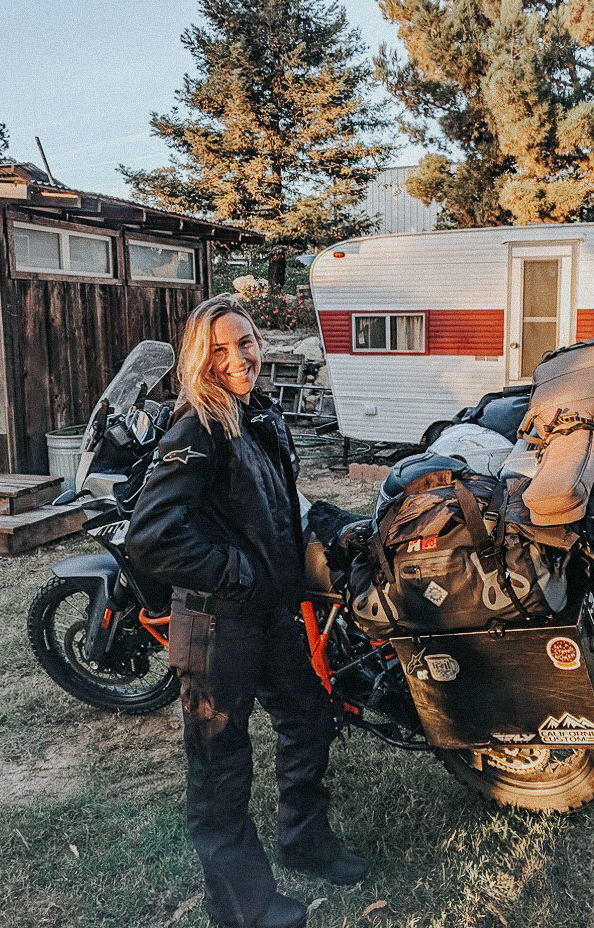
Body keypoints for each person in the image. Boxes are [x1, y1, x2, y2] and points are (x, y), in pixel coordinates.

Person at [125, 295, 366, 928]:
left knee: (309, 717)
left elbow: (284, 504)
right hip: (215, 625)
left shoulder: (260, 414)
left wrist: (335, 528)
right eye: (220, 349)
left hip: (270, 614)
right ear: (198, 360)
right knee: (220, 768)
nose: (238, 358)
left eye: (246, 342)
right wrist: (237, 573)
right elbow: (151, 534)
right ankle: (243, 908)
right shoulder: (196, 429)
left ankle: (304, 841)